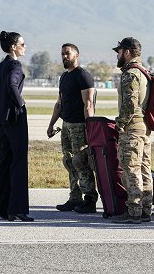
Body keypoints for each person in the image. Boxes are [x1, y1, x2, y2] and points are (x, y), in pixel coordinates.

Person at [0, 31, 33, 222]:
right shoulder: (15, 65)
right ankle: (17, 209)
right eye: (23, 44)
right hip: (15, 118)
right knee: (18, 162)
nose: (25, 47)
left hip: (1, 120)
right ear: (13, 47)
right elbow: (12, 85)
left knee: (4, 162)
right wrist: (20, 104)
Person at [47, 43, 98, 214]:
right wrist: (51, 123)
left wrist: (90, 128)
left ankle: (90, 199)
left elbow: (88, 104)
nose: (64, 56)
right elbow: (60, 103)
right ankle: (74, 198)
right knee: (69, 162)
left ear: (77, 55)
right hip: (66, 125)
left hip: (79, 125)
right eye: (62, 53)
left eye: (67, 53)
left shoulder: (83, 76)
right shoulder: (64, 77)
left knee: (81, 162)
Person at [110, 37, 152, 224]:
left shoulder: (130, 74)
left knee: (131, 170)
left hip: (132, 129)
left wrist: (120, 123)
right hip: (143, 128)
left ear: (127, 52)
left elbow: (130, 103)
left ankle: (134, 211)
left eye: (119, 52)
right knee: (144, 169)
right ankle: (146, 210)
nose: (118, 55)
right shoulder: (144, 72)